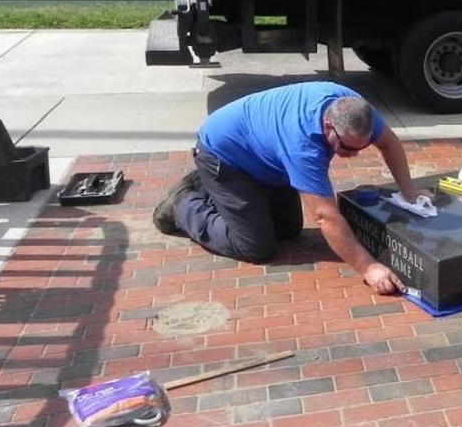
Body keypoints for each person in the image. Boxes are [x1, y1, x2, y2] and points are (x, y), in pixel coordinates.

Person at [152, 81, 429, 295]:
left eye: (360, 148)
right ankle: (184, 203)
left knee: (288, 230)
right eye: (344, 147)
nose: (352, 154)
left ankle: (225, 191)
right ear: (328, 125)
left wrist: (409, 192)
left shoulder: (355, 111)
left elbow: (390, 143)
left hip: (267, 159)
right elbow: (324, 216)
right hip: (225, 156)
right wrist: (368, 267)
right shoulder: (303, 147)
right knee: (254, 247)